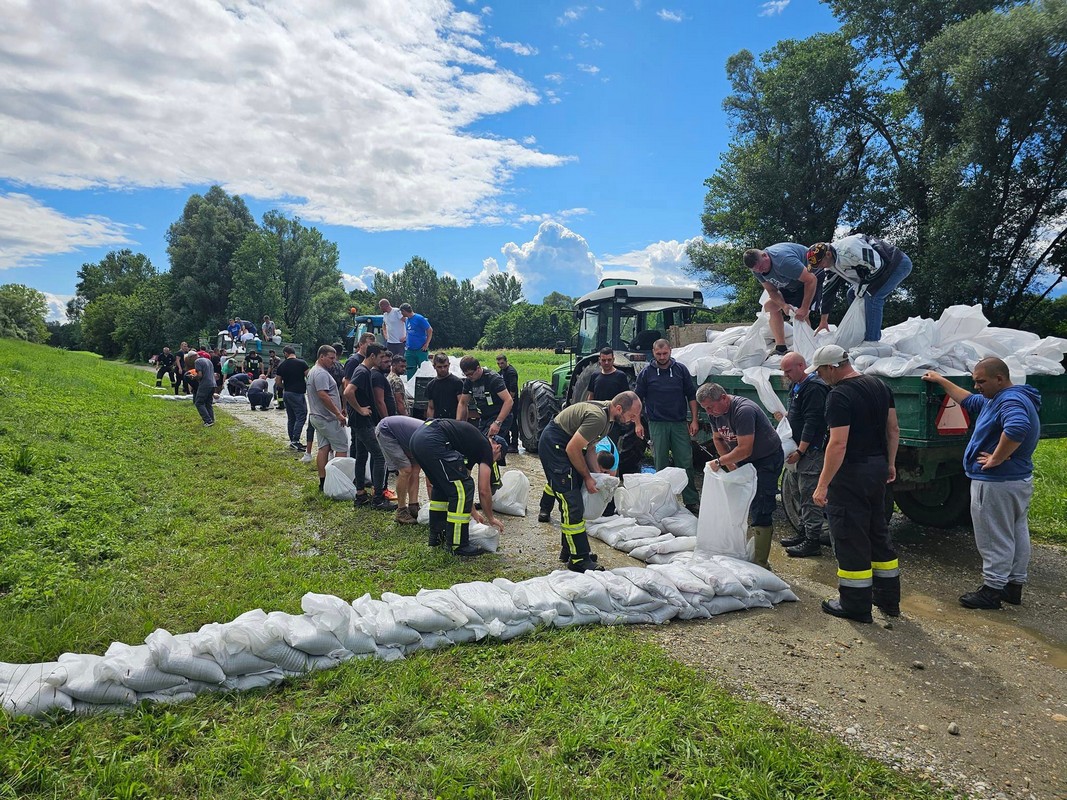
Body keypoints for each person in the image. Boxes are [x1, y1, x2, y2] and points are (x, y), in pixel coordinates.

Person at [922, 358, 1041, 609]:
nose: (977, 386)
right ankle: (1013, 585)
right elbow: (968, 400)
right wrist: (941, 380)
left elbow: (1017, 427)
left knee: (992, 535)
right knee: (1016, 531)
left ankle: (992, 591)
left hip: (996, 482)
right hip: (1016, 479)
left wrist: (997, 458)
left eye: (981, 381)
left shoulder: (1009, 401)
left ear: (1000, 379)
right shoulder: (998, 398)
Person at [809, 344, 900, 623]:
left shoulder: (839, 395)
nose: (821, 377)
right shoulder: (879, 386)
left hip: (851, 473)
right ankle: (888, 599)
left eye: (821, 371)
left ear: (832, 367)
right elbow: (893, 428)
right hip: (876, 467)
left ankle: (855, 604)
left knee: (850, 535)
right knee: (877, 531)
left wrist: (822, 484)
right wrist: (890, 463)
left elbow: (838, 443)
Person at [539, 391, 643, 572]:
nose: (633, 420)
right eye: (632, 415)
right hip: (555, 446)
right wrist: (587, 477)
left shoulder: (608, 418)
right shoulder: (598, 418)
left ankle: (570, 550)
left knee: (574, 501)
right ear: (619, 408)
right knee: (571, 502)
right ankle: (579, 559)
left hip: (566, 445)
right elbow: (573, 449)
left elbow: (590, 448)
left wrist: (597, 476)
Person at [697, 382, 785, 570]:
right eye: (705, 409)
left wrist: (720, 462)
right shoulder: (715, 413)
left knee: (761, 505)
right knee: (741, 502)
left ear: (723, 398)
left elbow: (745, 449)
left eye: (710, 407)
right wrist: (731, 465)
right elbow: (718, 438)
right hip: (744, 459)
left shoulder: (743, 411)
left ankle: (761, 563)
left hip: (766, 459)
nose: (709, 412)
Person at [410, 419, 505, 555]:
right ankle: (458, 544)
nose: (494, 461)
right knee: (465, 488)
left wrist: (474, 513)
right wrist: (491, 518)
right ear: (498, 447)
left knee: (443, 486)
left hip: (418, 438)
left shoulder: (473, 445)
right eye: (499, 458)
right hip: (433, 440)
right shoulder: (486, 448)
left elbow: (461, 479)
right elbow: (484, 490)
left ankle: (437, 536)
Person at [807, 235, 913, 344]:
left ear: (828, 254)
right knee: (851, 294)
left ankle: (872, 341)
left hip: (896, 264)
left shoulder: (849, 250)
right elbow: (828, 290)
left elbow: (878, 266)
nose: (820, 267)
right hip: (878, 270)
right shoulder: (830, 265)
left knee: (873, 296)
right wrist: (823, 321)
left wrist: (862, 290)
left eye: (820, 264)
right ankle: (861, 333)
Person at [634, 339, 699, 514]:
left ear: (670, 350)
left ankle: (691, 500)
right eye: (658, 354)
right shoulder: (646, 373)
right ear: (653, 352)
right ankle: (662, 501)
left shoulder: (680, 370)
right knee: (660, 463)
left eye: (665, 353)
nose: (662, 357)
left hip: (679, 424)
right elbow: (637, 400)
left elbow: (691, 396)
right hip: (657, 424)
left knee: (685, 462)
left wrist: (694, 420)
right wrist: (638, 423)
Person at [777, 351, 831, 558]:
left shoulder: (814, 387)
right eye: (784, 371)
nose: (786, 375)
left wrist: (801, 450)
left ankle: (812, 540)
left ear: (801, 366)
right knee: (796, 491)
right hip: (797, 448)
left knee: (809, 494)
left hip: (811, 450)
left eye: (788, 371)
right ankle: (803, 531)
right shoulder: (796, 385)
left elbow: (812, 422)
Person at [743, 243, 824, 355]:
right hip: (789, 284)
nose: (761, 271)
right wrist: (784, 305)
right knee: (769, 306)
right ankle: (780, 347)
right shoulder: (757, 269)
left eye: (761, 267)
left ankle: (807, 348)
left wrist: (805, 308)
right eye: (757, 270)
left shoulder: (783, 261)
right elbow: (772, 291)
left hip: (811, 277)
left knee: (800, 314)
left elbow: (811, 279)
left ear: (765, 255)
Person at [342, 344, 396, 510]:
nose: (382, 360)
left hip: (359, 422)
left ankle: (360, 495)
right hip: (363, 422)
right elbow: (348, 391)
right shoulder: (362, 371)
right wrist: (360, 409)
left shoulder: (364, 371)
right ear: (372, 356)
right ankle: (378, 498)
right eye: (381, 357)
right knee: (380, 456)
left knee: (361, 456)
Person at [306, 345, 351, 493]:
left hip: (317, 416)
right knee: (342, 447)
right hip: (327, 418)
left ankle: (323, 482)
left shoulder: (314, 371)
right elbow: (323, 395)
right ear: (322, 356)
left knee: (323, 448)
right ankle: (339, 482)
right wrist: (338, 414)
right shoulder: (321, 374)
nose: (334, 361)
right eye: (331, 358)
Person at [375, 415, 425, 524]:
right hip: (386, 430)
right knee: (406, 470)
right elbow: (431, 481)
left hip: (407, 437)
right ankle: (401, 511)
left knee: (416, 469)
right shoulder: (433, 439)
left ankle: (413, 506)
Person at [274, 345, 309, 453]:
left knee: (291, 417)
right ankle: (295, 440)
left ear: (285, 353)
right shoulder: (302, 363)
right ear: (294, 353)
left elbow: (278, 382)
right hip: (298, 393)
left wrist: (286, 387)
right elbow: (309, 377)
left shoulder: (282, 365)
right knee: (301, 415)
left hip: (287, 393)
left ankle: (292, 440)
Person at [425, 353, 462, 421]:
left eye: (445, 366)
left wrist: (458, 423)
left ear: (449, 365)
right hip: (438, 422)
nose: (443, 369)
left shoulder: (457, 382)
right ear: (434, 366)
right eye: (439, 367)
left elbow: (462, 405)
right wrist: (429, 423)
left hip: (453, 422)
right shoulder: (431, 385)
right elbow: (431, 408)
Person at [399, 302, 433, 378]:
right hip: (409, 350)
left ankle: (424, 384)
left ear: (404, 311)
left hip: (420, 349)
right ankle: (410, 383)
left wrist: (427, 343)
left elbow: (429, 330)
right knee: (410, 369)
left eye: (401, 312)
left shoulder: (419, 318)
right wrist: (405, 338)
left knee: (424, 370)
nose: (401, 313)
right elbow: (410, 331)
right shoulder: (407, 320)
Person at [495, 354, 520, 452]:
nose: (500, 365)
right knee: (505, 422)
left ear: (506, 361)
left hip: (511, 400)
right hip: (505, 400)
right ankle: (507, 443)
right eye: (498, 364)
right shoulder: (502, 371)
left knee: (513, 423)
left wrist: (510, 400)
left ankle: (514, 444)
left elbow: (513, 387)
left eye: (502, 363)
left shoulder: (511, 372)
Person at [187, 351, 217, 427]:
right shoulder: (208, 360)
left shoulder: (197, 361)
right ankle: (211, 419)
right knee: (208, 403)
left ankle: (207, 421)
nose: (190, 361)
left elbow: (200, 375)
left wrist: (193, 377)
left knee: (199, 403)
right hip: (213, 384)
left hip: (205, 384)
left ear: (192, 357)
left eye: (189, 359)